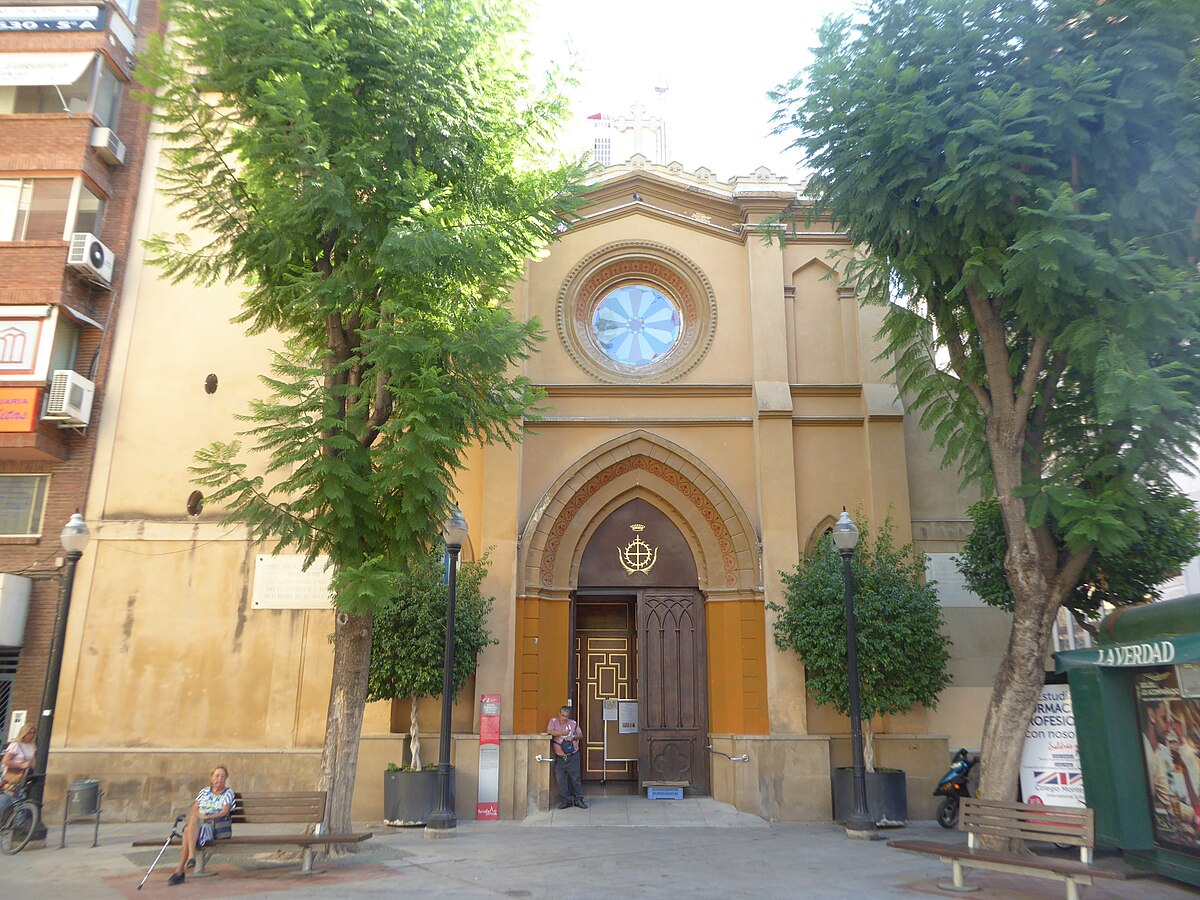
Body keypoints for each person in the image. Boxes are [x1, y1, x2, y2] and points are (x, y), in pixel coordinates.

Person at [168, 765, 235, 886]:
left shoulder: (228, 793)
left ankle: (181, 869)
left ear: (226, 779)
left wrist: (207, 817)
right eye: (217, 776)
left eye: (222, 776)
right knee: (192, 822)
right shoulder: (204, 791)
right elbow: (193, 810)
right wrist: (199, 816)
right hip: (199, 824)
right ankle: (189, 860)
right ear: (211, 778)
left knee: (188, 832)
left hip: (214, 825)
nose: (219, 779)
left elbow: (224, 812)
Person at [547, 705, 587, 809]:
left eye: (567, 716)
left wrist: (572, 737)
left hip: (572, 756)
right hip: (560, 758)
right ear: (559, 714)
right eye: (563, 715)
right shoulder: (553, 721)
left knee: (575, 779)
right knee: (561, 780)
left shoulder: (573, 723)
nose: (564, 718)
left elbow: (580, 735)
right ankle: (566, 800)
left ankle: (579, 800)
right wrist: (561, 733)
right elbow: (549, 731)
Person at [1, 723, 37, 817]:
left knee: (8, 801)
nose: (31, 735)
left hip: (22, 779)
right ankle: (19, 827)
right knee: (18, 801)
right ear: (24, 733)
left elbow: (33, 762)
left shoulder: (32, 746)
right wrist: (21, 765)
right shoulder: (15, 745)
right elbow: (5, 761)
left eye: (33, 733)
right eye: (29, 733)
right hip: (10, 778)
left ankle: (16, 826)